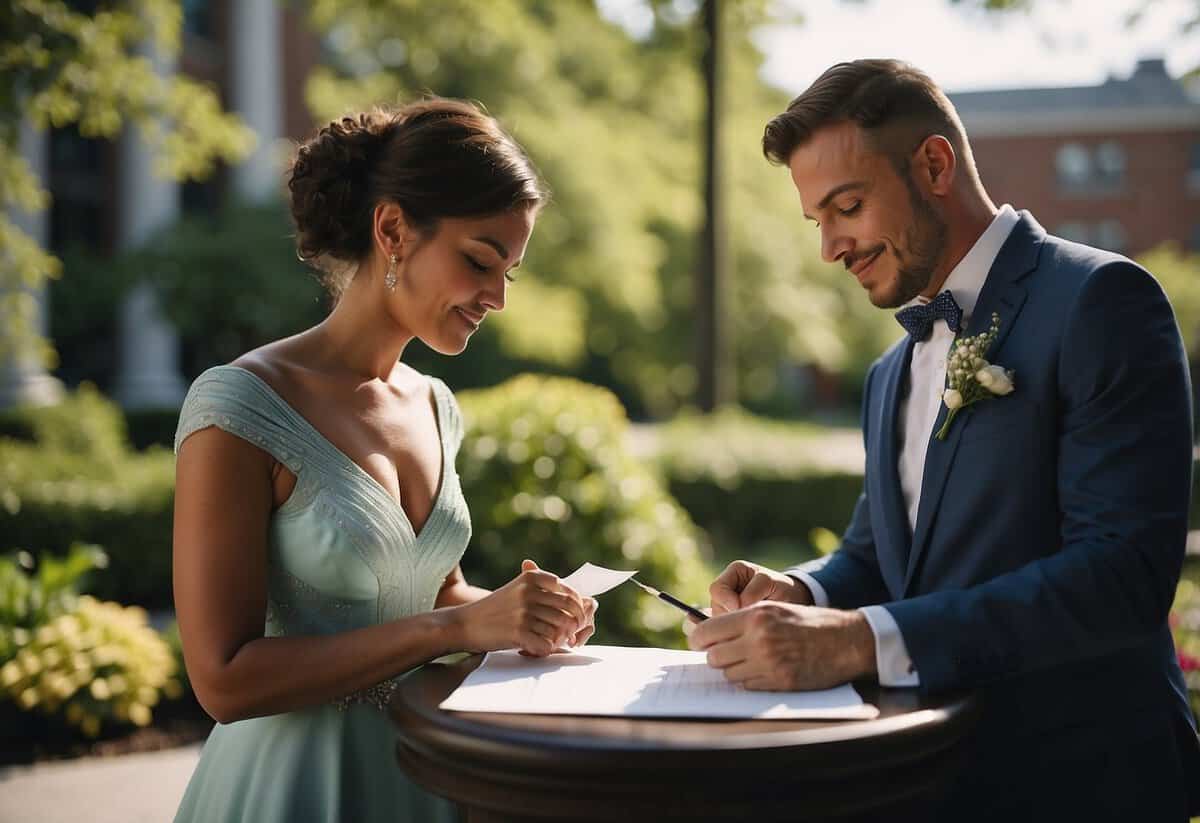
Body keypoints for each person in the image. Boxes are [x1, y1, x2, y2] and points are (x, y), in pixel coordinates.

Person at [688, 59, 1200, 821]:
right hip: (927, 778)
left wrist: (858, 641)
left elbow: (1119, 576)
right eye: (817, 220)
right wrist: (801, 591)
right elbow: (877, 554)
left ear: (933, 164)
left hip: (1088, 781)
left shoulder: (1102, 300)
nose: (830, 246)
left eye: (847, 206)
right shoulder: (888, 372)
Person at [170, 99, 596, 822]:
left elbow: (429, 592)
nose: (495, 297)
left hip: (429, 774)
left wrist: (514, 613)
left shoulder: (435, 404)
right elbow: (223, 678)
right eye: (478, 261)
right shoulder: (239, 407)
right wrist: (457, 629)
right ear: (393, 229)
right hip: (296, 791)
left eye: (509, 274)